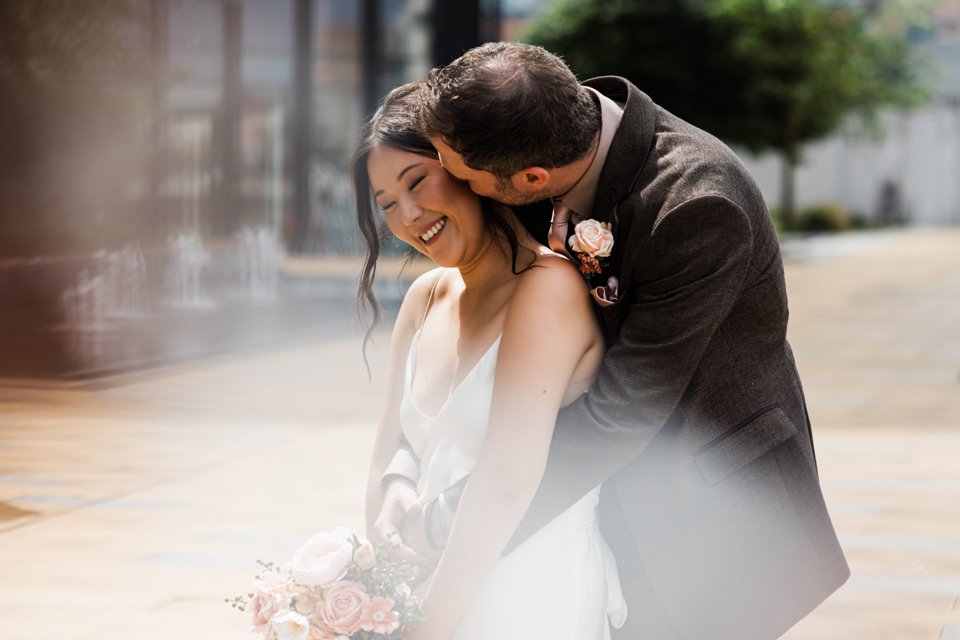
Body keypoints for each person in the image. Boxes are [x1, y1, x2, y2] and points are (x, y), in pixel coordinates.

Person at [377, 42, 850, 640]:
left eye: (463, 178)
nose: (454, 188)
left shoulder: (699, 205)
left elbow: (625, 411)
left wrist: (451, 523)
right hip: (585, 501)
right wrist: (404, 473)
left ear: (530, 180)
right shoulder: (539, 135)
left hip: (708, 512)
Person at [353, 81, 627, 640]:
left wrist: (423, 629)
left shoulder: (547, 288)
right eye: (386, 205)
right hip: (430, 583)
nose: (407, 215)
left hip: (527, 592)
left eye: (417, 182)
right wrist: (389, 519)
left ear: (465, 168)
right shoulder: (424, 297)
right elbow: (390, 451)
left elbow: (506, 481)